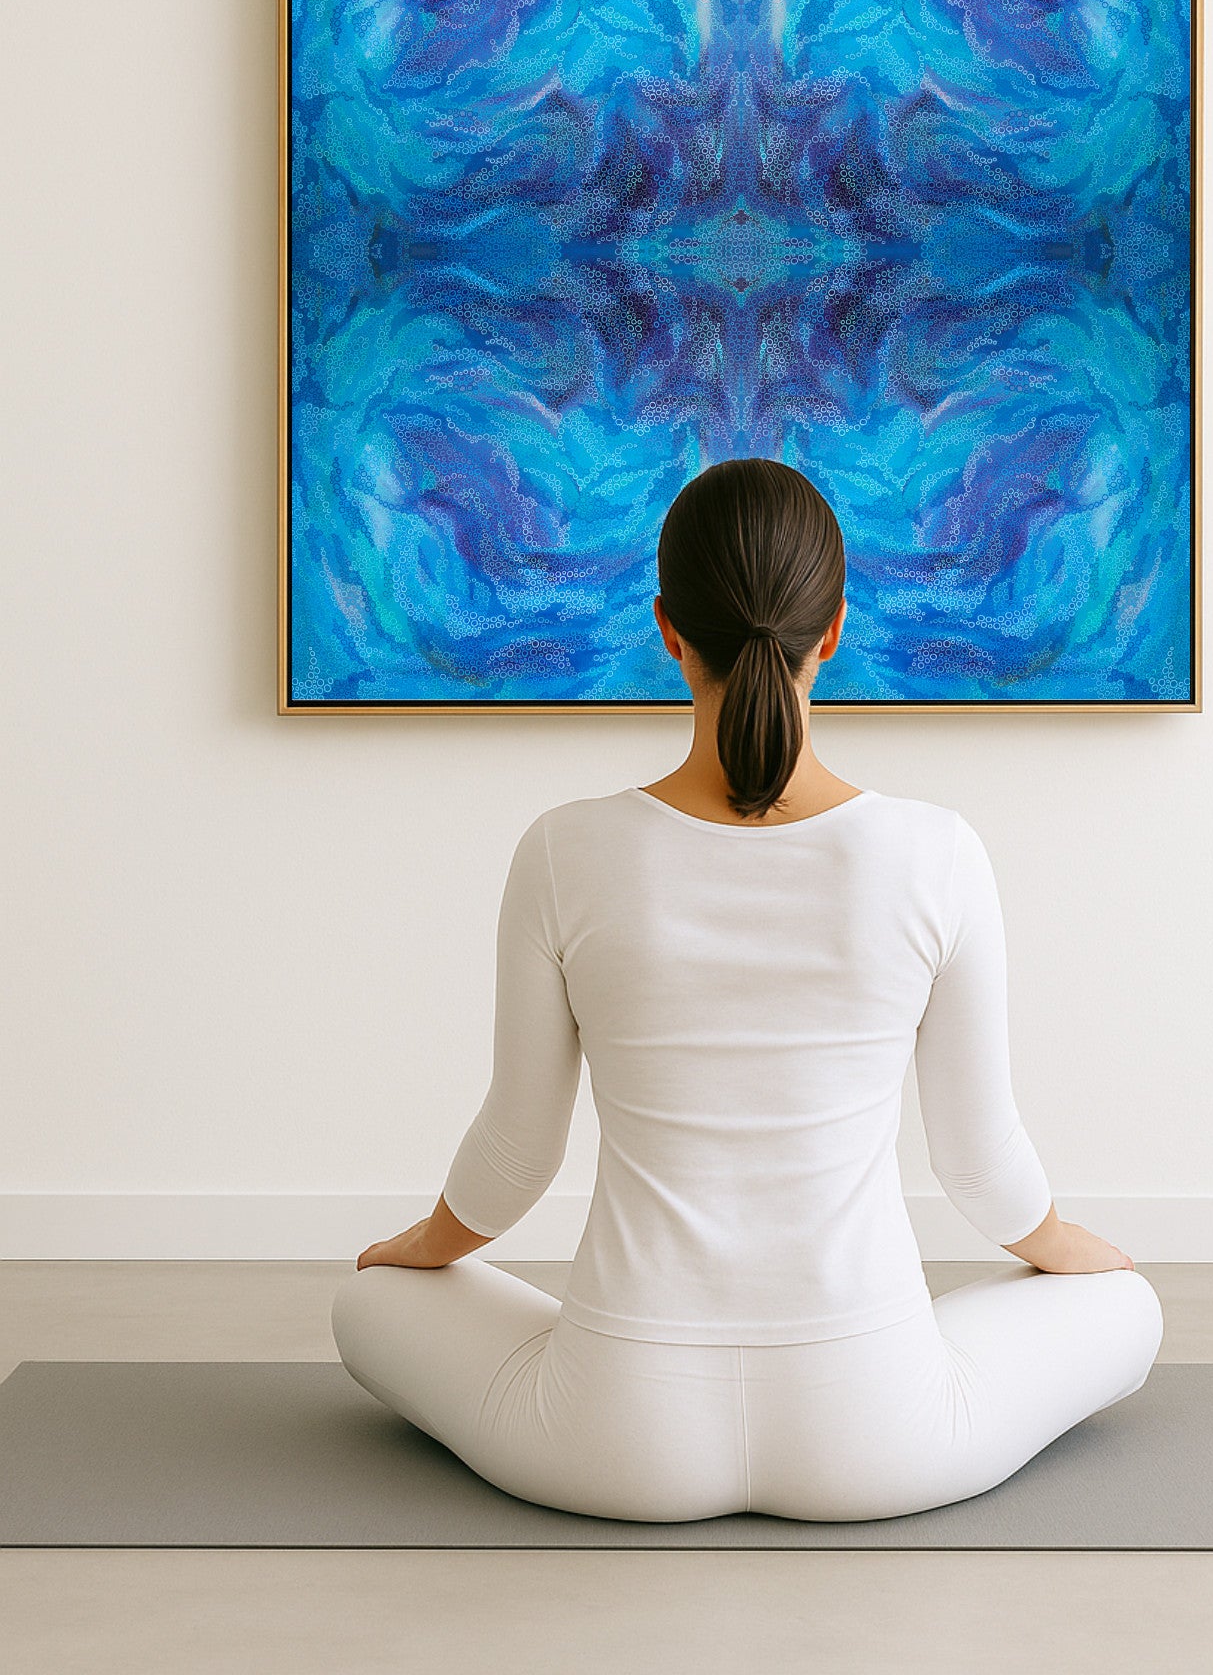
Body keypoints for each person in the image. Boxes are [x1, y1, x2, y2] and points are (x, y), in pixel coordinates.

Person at [332, 457, 1164, 1522]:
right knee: (1125, 1305)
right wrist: (1067, 1255)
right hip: (880, 1432)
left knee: (367, 1301)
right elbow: (980, 1168)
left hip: (610, 1436)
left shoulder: (564, 849)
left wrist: (420, 1250)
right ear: (833, 630)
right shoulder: (935, 853)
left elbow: (514, 1160)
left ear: (668, 629)